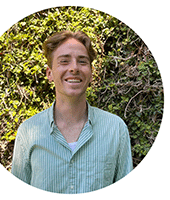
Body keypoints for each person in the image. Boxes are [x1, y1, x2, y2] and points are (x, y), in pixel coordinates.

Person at [11, 30, 133, 194]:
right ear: (50, 74)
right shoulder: (28, 132)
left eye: (82, 62)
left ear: (90, 73)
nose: (74, 68)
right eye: (64, 61)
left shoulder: (115, 129)